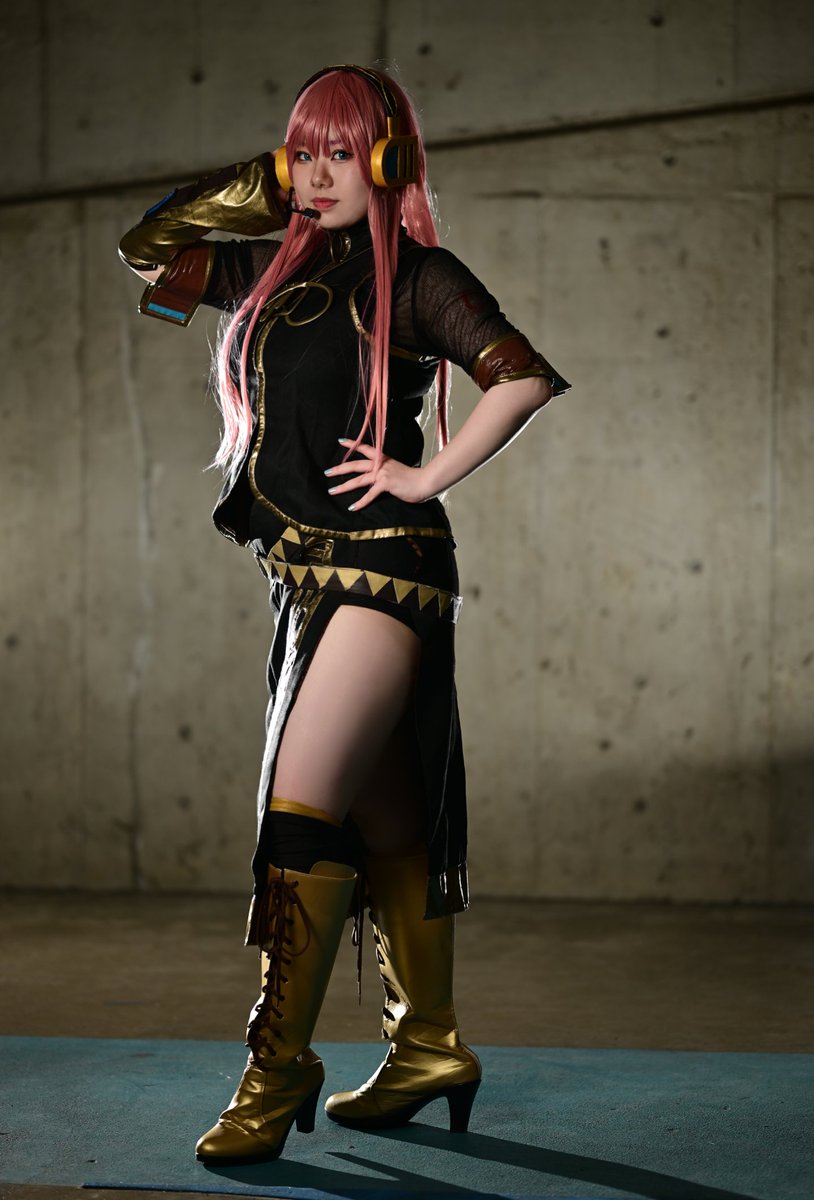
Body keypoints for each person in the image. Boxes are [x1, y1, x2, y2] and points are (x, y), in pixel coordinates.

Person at [118, 63, 570, 1165]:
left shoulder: (418, 277)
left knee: (297, 814)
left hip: (383, 573)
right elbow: (146, 248)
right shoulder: (268, 270)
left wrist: (426, 475)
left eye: (339, 152)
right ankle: (429, 1044)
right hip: (302, 583)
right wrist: (263, 182)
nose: (316, 176)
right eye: (301, 153)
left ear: (388, 159)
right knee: (390, 821)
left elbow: (521, 378)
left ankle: (277, 1068)